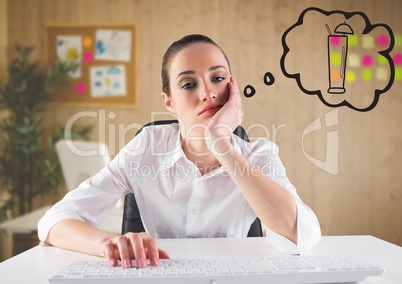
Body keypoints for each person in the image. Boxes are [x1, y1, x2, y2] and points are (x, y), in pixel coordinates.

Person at [38, 34, 321, 269]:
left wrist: (222, 146)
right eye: (189, 84)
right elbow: (54, 221)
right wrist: (107, 244)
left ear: (232, 87)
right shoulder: (146, 148)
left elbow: (302, 237)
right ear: (169, 102)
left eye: (218, 78)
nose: (208, 93)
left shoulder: (258, 154)